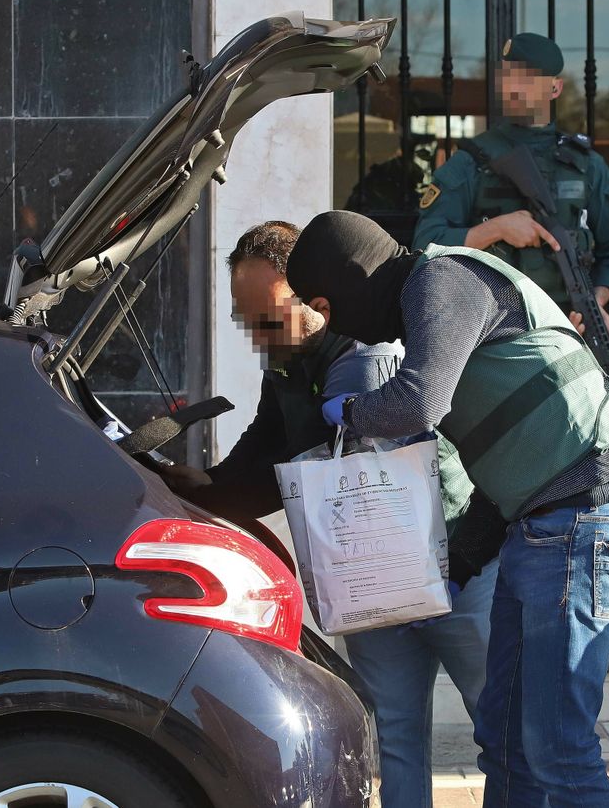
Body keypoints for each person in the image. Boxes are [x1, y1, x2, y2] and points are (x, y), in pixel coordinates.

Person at [287, 210, 609, 808]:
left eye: (326, 307)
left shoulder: (441, 279)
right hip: (542, 527)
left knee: (557, 746)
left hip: (584, 518)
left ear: (354, 279)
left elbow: (419, 400)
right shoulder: (433, 301)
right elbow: (503, 476)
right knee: (506, 741)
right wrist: (448, 568)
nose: (334, 326)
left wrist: (343, 415)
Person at [159, 220, 498, 808]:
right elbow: (257, 464)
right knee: (395, 738)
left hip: (455, 567)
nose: (256, 333)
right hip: (376, 584)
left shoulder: (364, 361)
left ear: (315, 298)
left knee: (501, 733)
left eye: (267, 316)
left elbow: (303, 469)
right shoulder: (290, 362)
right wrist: (197, 490)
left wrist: (214, 490)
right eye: (246, 316)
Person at [413, 32, 609, 336]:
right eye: (508, 76)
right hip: (491, 329)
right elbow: (426, 243)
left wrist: (596, 301)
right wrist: (496, 229)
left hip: (568, 325)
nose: (515, 87)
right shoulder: (472, 159)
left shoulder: (586, 165)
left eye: (528, 78)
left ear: (555, 88)